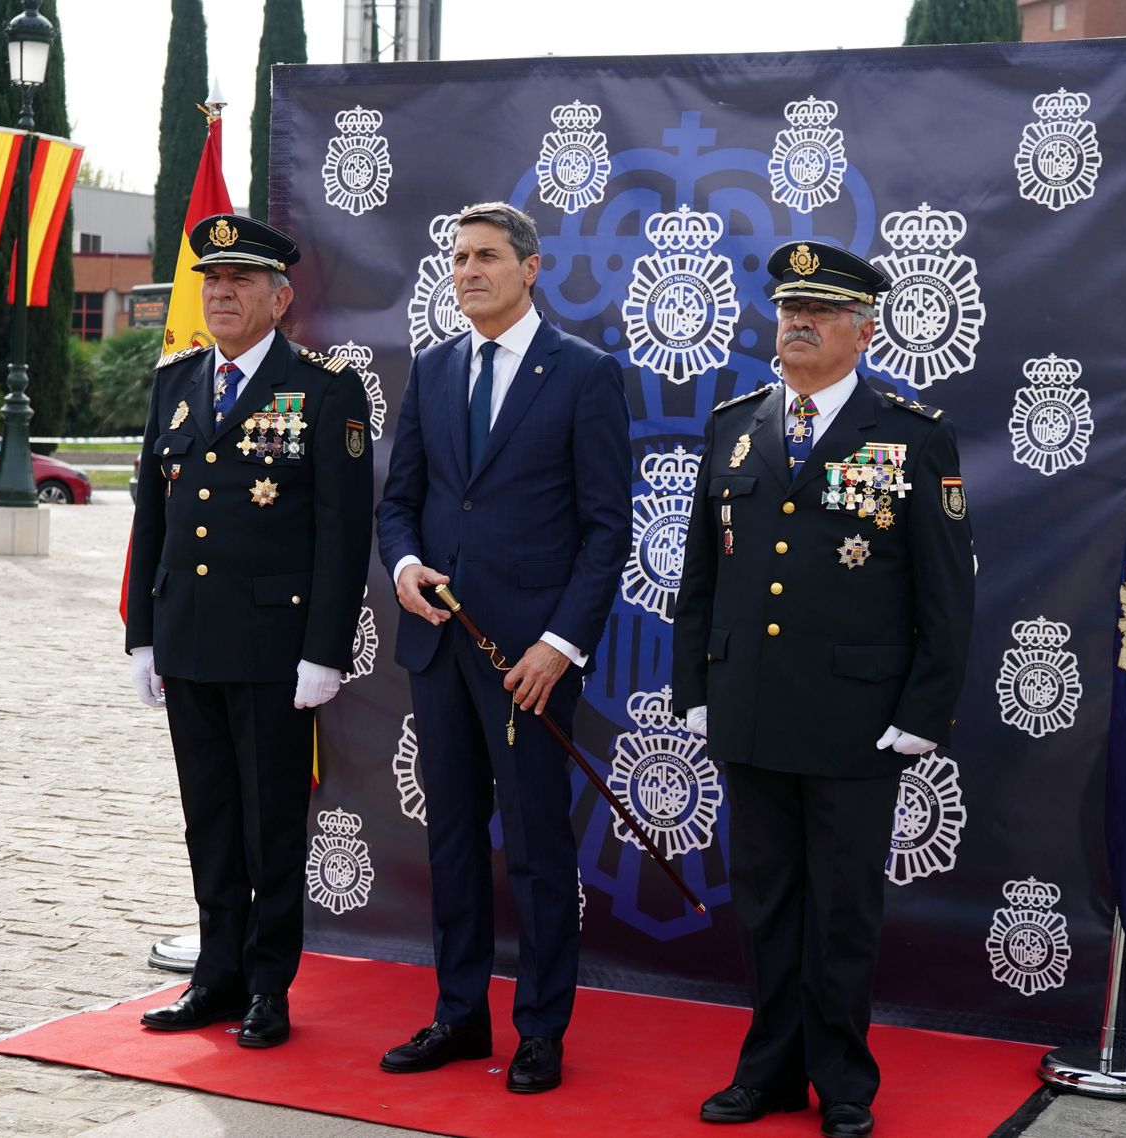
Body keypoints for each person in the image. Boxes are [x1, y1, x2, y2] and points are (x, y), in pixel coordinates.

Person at [671, 240, 975, 1138]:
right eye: (787, 310)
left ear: (864, 328)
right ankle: (766, 1072)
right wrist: (697, 688)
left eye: (819, 312)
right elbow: (700, 577)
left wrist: (922, 714)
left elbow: (945, 592)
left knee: (842, 912)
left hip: (855, 718)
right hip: (752, 707)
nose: (797, 324)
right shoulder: (735, 423)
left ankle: (843, 1079)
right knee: (764, 903)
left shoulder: (910, 431)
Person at [375, 201, 631, 1094]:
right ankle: (456, 1016)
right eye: (457, 258)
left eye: (487, 256)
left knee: (534, 848)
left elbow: (607, 531)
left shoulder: (584, 375)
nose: (468, 271)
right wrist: (404, 563)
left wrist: (560, 646)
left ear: (531, 268)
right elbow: (400, 499)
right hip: (441, 648)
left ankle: (540, 1030)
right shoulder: (435, 368)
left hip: (531, 663)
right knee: (450, 841)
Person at [125, 214, 374, 1049]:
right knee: (210, 819)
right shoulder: (176, 380)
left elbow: (344, 532)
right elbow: (152, 515)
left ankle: (270, 986)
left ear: (280, 295)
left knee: (271, 824)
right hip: (190, 640)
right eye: (211, 281)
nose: (221, 293)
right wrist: (143, 635)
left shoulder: (324, 389)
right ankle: (217, 975)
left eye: (239, 281)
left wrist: (325, 652)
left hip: (277, 650)